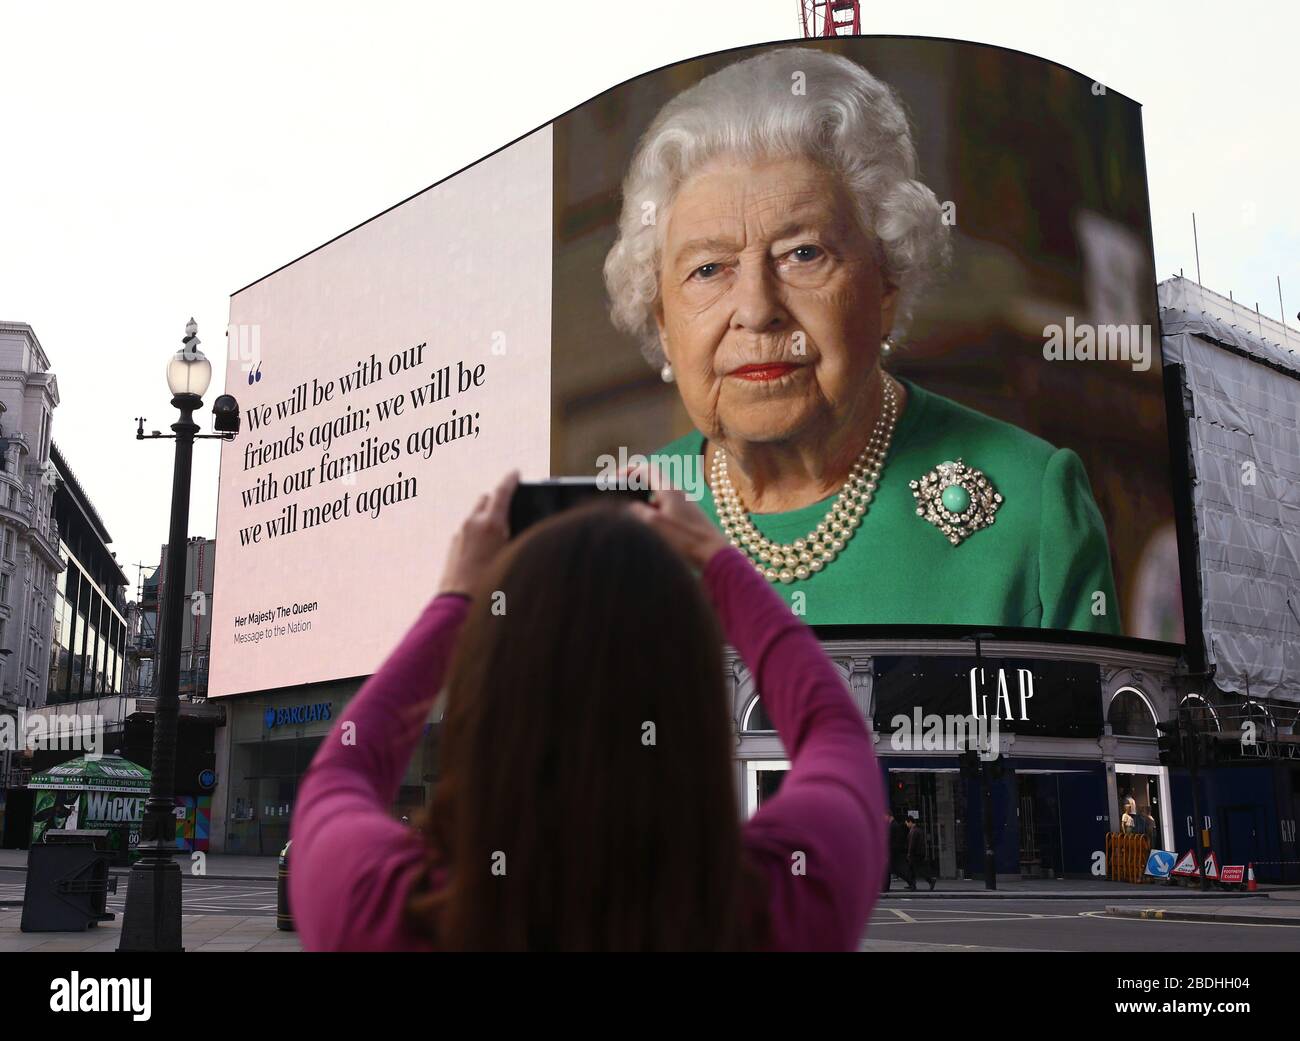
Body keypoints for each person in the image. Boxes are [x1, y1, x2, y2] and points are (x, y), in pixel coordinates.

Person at [603, 47, 1118, 630]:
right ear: (664, 323)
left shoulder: (1032, 503)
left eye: (803, 254)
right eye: (708, 269)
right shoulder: (610, 531)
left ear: (887, 283)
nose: (756, 310)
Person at [288, 471, 887, 950]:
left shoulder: (377, 912)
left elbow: (341, 771)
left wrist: (455, 599)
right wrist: (721, 562)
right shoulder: (787, 903)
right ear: (697, 705)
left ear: (482, 701)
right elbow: (836, 734)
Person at [905, 817, 937, 891]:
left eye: (907, 823)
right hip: (919, 853)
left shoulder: (914, 831)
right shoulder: (918, 830)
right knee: (912, 870)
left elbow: (911, 844)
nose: (906, 825)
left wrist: (909, 853)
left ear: (910, 822)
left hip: (915, 854)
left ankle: (930, 880)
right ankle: (912, 885)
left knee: (918, 869)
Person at [884, 809, 911, 891]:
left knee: (893, 869)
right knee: (894, 869)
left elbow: (894, 840)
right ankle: (911, 881)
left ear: (889, 816)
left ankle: (885, 887)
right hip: (893, 850)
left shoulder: (894, 825)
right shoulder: (892, 825)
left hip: (893, 850)